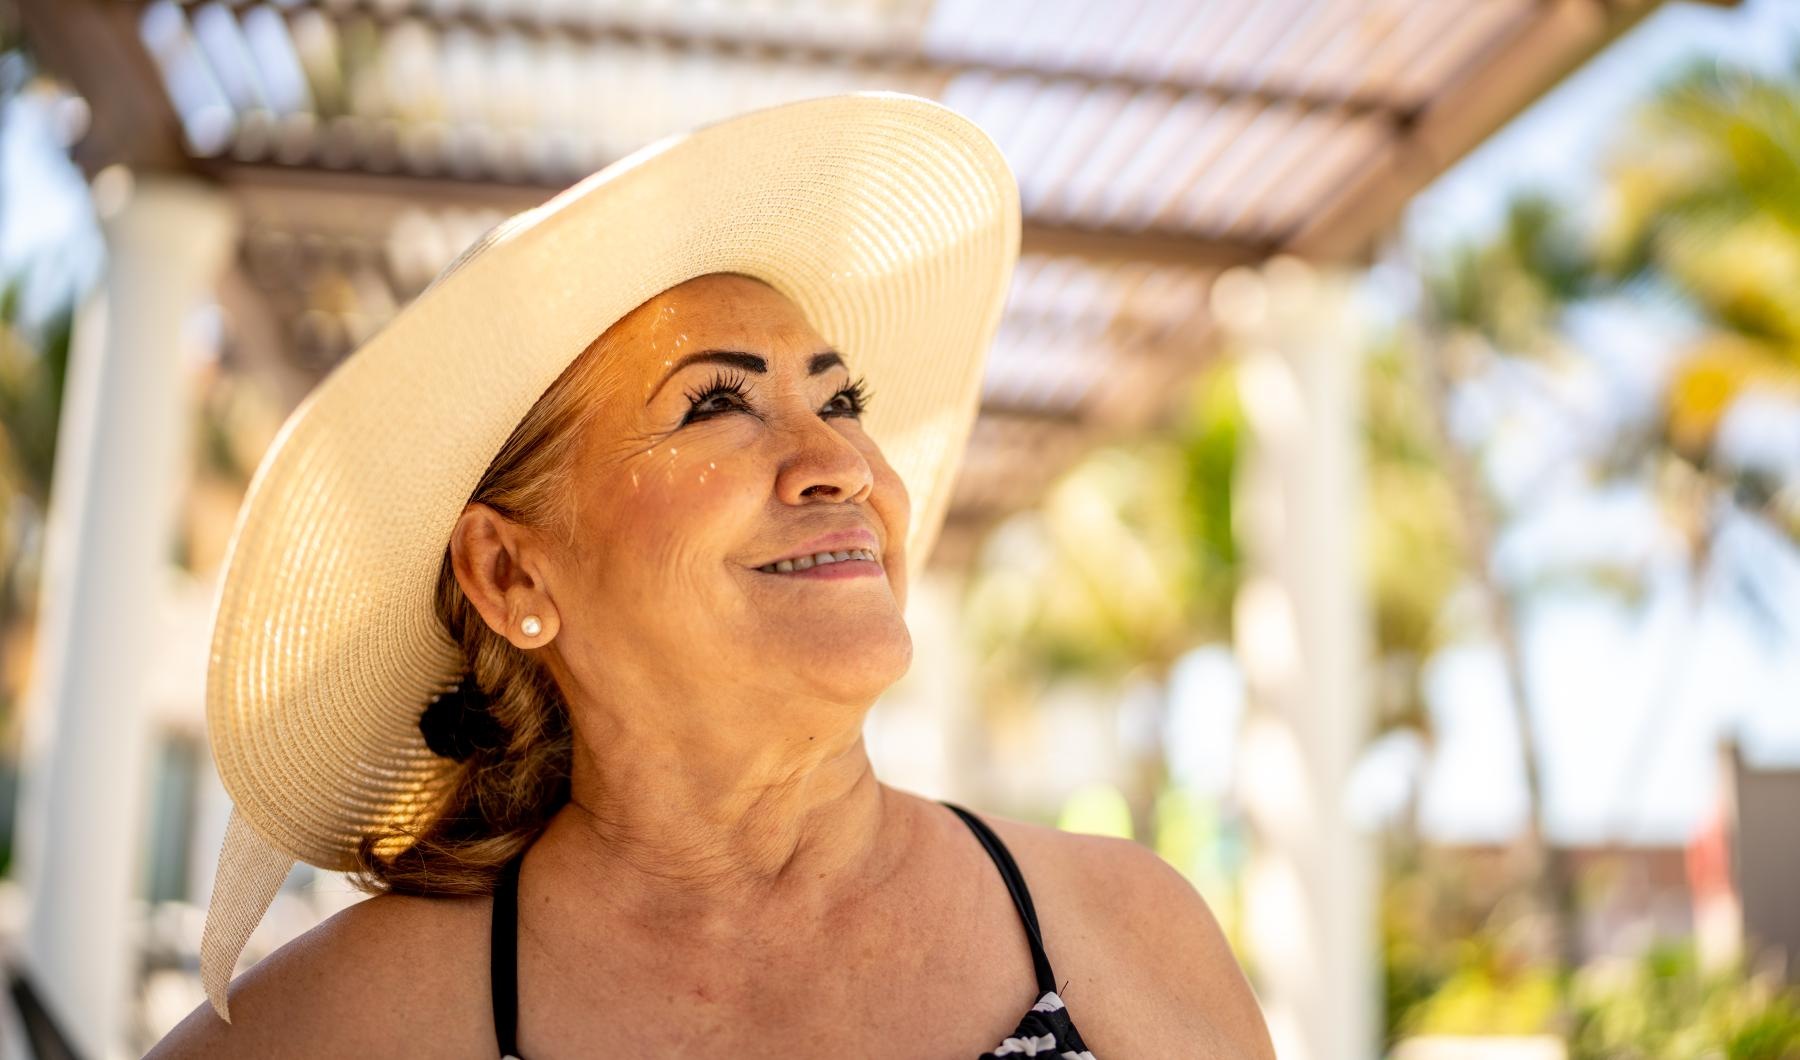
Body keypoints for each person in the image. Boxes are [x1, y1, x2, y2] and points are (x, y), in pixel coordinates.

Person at [146, 94, 1274, 1059]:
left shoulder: (1120, 931)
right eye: (715, 404)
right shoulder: (348, 1028)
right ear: (508, 569)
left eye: (842, 401)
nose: (840, 463)